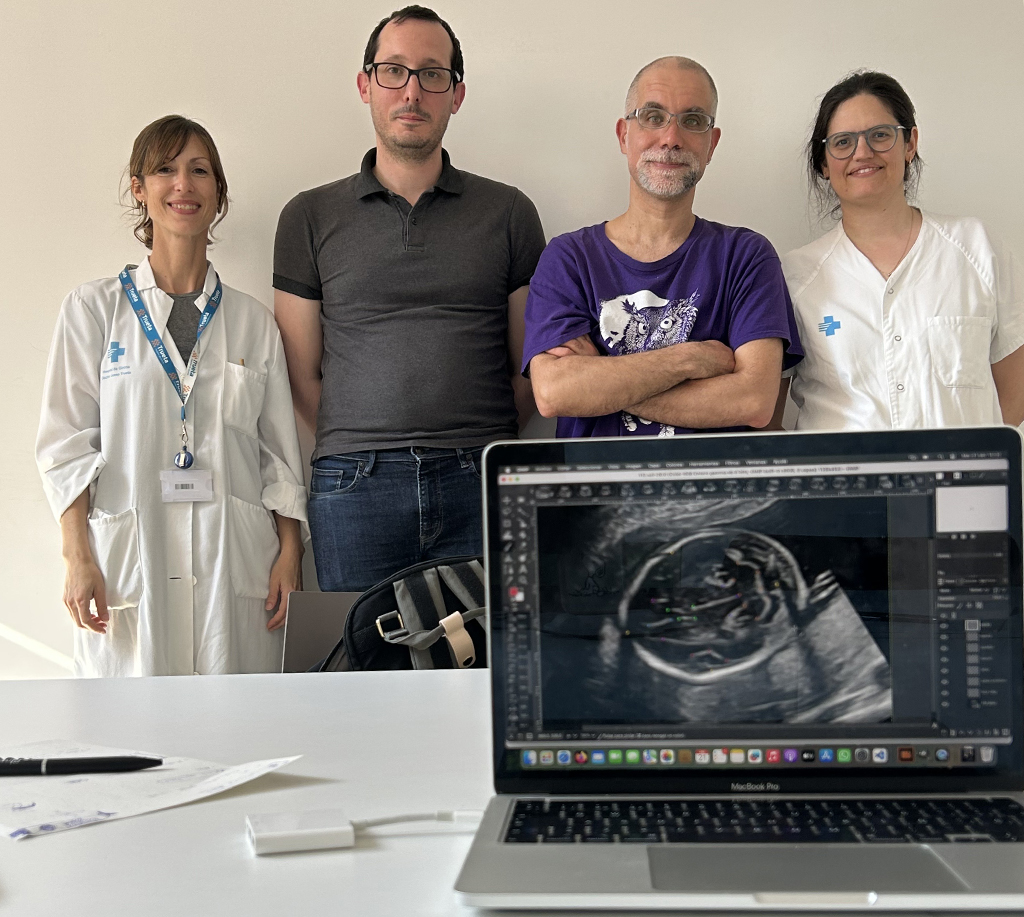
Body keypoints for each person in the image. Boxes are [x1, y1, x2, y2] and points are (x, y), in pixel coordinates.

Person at [273, 5, 545, 591]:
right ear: (365, 85)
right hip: (354, 486)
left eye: (432, 74)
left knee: (493, 652)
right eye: (393, 71)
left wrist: (478, 444)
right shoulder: (308, 216)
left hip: (484, 477)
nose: (412, 91)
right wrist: (368, 441)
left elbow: (531, 368)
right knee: (360, 651)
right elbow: (300, 375)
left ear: (457, 94)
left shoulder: (509, 212)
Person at [36, 116, 308, 677]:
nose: (183, 184)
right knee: (134, 717)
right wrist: (77, 555)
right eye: (165, 169)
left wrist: (291, 552)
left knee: (235, 714)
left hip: (236, 567)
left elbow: (279, 456)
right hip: (131, 564)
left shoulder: (253, 323)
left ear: (218, 193)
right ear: (140, 188)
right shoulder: (93, 311)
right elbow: (66, 448)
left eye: (200, 171)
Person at [523, 56, 801, 438]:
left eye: (693, 120)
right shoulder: (568, 259)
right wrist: (690, 359)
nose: (671, 138)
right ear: (624, 135)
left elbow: (753, 401)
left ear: (711, 144)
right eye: (653, 117)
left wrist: (599, 378)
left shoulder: (746, 257)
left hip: (713, 481)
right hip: (595, 480)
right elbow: (554, 393)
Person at [777, 70, 1024, 431]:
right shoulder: (794, 276)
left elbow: (1014, 396)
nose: (863, 152)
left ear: (910, 144)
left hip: (964, 470)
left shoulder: (977, 247)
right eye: (843, 142)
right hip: (843, 472)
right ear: (824, 164)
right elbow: (768, 416)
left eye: (880, 135)